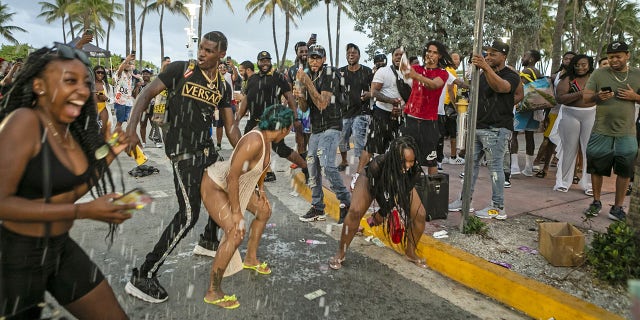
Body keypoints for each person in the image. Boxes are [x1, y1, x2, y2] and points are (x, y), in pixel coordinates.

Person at [0, 44, 134, 319]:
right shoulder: (24, 122)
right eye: (69, 81)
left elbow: (70, 192)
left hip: (59, 249)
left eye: (85, 83)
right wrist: (84, 212)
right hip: (14, 257)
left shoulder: (69, 132)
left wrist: (110, 154)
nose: (83, 91)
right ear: (39, 85)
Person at [124, 31, 241, 303]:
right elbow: (144, 94)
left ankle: (209, 241)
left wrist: (248, 152)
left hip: (206, 151)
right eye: (201, 48)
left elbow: (231, 127)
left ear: (221, 54)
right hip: (182, 152)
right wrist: (131, 129)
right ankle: (143, 275)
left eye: (209, 50)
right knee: (188, 215)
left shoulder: (222, 86)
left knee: (221, 191)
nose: (202, 53)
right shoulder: (180, 69)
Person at [201, 104, 293, 309]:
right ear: (284, 129)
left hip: (236, 184)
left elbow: (261, 169)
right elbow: (232, 177)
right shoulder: (254, 141)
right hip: (216, 184)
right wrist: (236, 213)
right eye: (289, 129)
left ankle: (250, 259)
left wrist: (261, 192)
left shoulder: (267, 140)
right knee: (235, 232)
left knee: (264, 211)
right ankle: (213, 291)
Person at [328, 136, 427, 270]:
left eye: (411, 161)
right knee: (355, 212)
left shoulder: (413, 170)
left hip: (399, 185)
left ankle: (410, 252)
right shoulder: (378, 164)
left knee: (420, 214)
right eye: (404, 161)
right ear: (394, 158)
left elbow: (399, 194)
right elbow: (378, 191)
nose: (408, 166)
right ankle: (341, 253)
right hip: (371, 180)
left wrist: (382, 213)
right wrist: (380, 212)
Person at [448, 40, 520, 219]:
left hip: (496, 129)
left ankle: (498, 207)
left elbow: (502, 88)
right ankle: (465, 200)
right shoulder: (480, 74)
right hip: (477, 126)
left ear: (503, 56)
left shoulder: (510, 75)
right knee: (470, 165)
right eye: (487, 53)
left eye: (493, 54)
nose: (488, 57)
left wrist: (502, 107)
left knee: (495, 168)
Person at [582, 41, 640, 221]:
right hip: (601, 129)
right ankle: (596, 202)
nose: (614, 60)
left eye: (618, 56)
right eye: (610, 56)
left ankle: (617, 207)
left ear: (627, 56)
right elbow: (586, 98)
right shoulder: (599, 74)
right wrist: (597, 97)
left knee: (624, 170)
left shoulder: (637, 74)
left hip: (627, 132)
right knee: (597, 167)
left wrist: (635, 97)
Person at [294, 44, 351, 222]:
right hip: (316, 127)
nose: (314, 61)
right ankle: (318, 207)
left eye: (318, 57)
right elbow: (305, 108)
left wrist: (307, 83)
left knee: (327, 164)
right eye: (311, 57)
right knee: (311, 166)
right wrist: (300, 95)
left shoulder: (330, 73)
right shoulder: (309, 76)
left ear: (324, 59)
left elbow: (322, 104)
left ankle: (347, 202)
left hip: (332, 125)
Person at [235, 51, 307, 183]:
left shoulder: (277, 77)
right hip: (253, 121)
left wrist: (295, 118)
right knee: (247, 146)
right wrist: (238, 117)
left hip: (271, 122)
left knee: (282, 150)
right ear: (258, 62)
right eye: (262, 61)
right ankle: (260, 173)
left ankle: (305, 167)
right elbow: (246, 100)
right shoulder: (252, 78)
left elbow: (289, 97)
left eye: (267, 60)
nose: (265, 63)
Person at [355, 48, 409, 189]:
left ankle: (391, 180)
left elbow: (413, 97)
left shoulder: (410, 75)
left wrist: (402, 109)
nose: (399, 57)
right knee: (371, 147)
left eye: (401, 55)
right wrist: (392, 102)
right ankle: (357, 177)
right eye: (396, 55)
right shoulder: (383, 72)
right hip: (382, 114)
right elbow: (374, 92)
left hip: (401, 117)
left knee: (396, 150)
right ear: (391, 57)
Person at [399, 40, 448, 175]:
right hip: (411, 119)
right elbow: (404, 72)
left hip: (429, 122)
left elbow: (434, 85)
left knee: (431, 160)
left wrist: (416, 76)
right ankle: (406, 188)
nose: (431, 55)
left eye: (435, 52)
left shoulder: (443, 73)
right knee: (406, 156)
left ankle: (433, 192)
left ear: (440, 56)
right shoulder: (417, 69)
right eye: (429, 51)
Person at [553, 54, 596, 194]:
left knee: (589, 150)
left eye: (584, 64)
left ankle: (589, 185)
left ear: (589, 65)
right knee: (569, 149)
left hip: (591, 113)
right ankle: (563, 182)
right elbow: (560, 98)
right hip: (570, 114)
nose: (580, 67)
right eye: (577, 65)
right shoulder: (567, 78)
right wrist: (581, 94)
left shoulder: (594, 78)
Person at [337, 43, 372, 180]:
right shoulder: (340, 72)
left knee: (359, 139)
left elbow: (374, 89)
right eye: (348, 53)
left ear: (359, 55)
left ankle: (361, 167)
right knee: (342, 138)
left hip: (362, 112)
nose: (351, 55)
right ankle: (344, 161)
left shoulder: (367, 71)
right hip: (344, 112)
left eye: (354, 53)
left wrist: (368, 94)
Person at [511, 50, 544, 177]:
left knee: (513, 134)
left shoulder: (527, 71)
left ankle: (514, 166)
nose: (523, 57)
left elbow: (520, 87)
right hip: (535, 108)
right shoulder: (538, 72)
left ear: (531, 59)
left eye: (525, 55)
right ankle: (528, 168)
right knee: (529, 136)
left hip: (523, 107)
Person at [286, 41, 312, 168]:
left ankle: (307, 160)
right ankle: (302, 161)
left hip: (309, 107)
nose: (304, 53)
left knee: (309, 134)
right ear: (296, 52)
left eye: (306, 51)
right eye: (301, 51)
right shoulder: (291, 69)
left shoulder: (313, 66)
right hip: (296, 107)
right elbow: (288, 90)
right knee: (299, 135)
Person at [93, 65, 111, 139]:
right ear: (94, 73)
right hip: (93, 109)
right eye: (98, 72)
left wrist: (106, 98)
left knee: (102, 130)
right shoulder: (89, 84)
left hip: (103, 108)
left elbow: (112, 99)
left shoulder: (107, 85)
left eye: (102, 73)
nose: (100, 74)